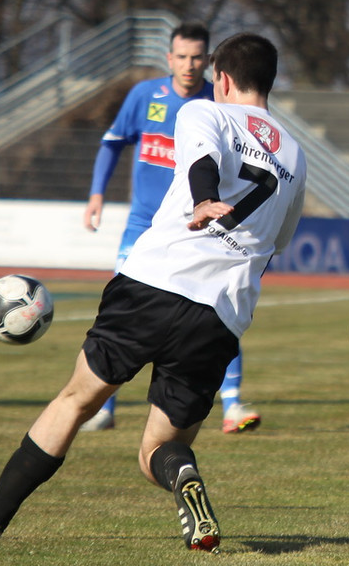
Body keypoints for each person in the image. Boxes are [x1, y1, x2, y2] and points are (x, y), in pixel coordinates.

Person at [0, 32, 307, 551]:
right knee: (159, 450)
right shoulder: (296, 155)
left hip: (152, 283)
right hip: (219, 316)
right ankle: (183, 475)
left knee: (76, 402)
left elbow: (202, 161)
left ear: (222, 78)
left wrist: (204, 201)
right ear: (269, 81)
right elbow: (278, 243)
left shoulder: (204, 111)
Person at [81, 22, 260, 434]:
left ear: (209, 61)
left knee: (216, 309)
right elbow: (112, 143)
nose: (189, 65)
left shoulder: (217, 104)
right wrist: (96, 194)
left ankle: (232, 405)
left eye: (197, 57)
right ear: (169, 58)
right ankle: (103, 409)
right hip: (143, 224)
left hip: (196, 228)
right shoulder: (145, 96)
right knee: (120, 311)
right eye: (181, 57)